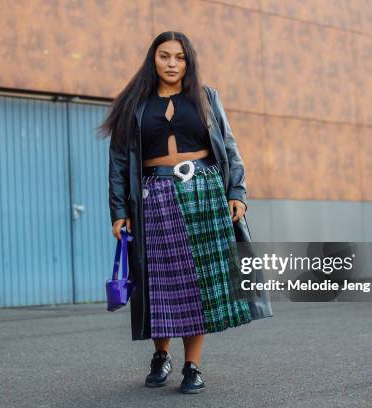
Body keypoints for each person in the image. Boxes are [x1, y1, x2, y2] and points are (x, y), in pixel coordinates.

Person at [98, 31, 272, 394]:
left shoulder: (207, 97)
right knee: (159, 282)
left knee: (201, 284)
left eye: (179, 57)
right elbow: (118, 162)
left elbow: (228, 145)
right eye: (165, 56)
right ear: (153, 59)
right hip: (153, 197)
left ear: (188, 61)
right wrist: (118, 210)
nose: (172, 64)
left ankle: (193, 365)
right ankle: (161, 356)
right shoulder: (134, 103)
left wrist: (237, 191)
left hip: (205, 192)